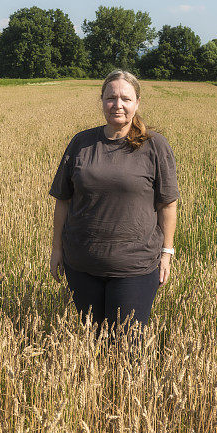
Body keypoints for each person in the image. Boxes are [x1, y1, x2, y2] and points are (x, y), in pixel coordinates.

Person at [48, 69, 179, 343]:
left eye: (125, 99)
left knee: (126, 347)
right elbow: (63, 199)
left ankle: (124, 388)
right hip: (81, 264)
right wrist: (57, 250)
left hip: (135, 266)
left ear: (137, 103)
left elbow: (168, 203)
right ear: (102, 101)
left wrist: (166, 253)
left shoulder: (155, 146)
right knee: (94, 341)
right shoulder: (82, 142)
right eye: (111, 98)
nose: (117, 104)